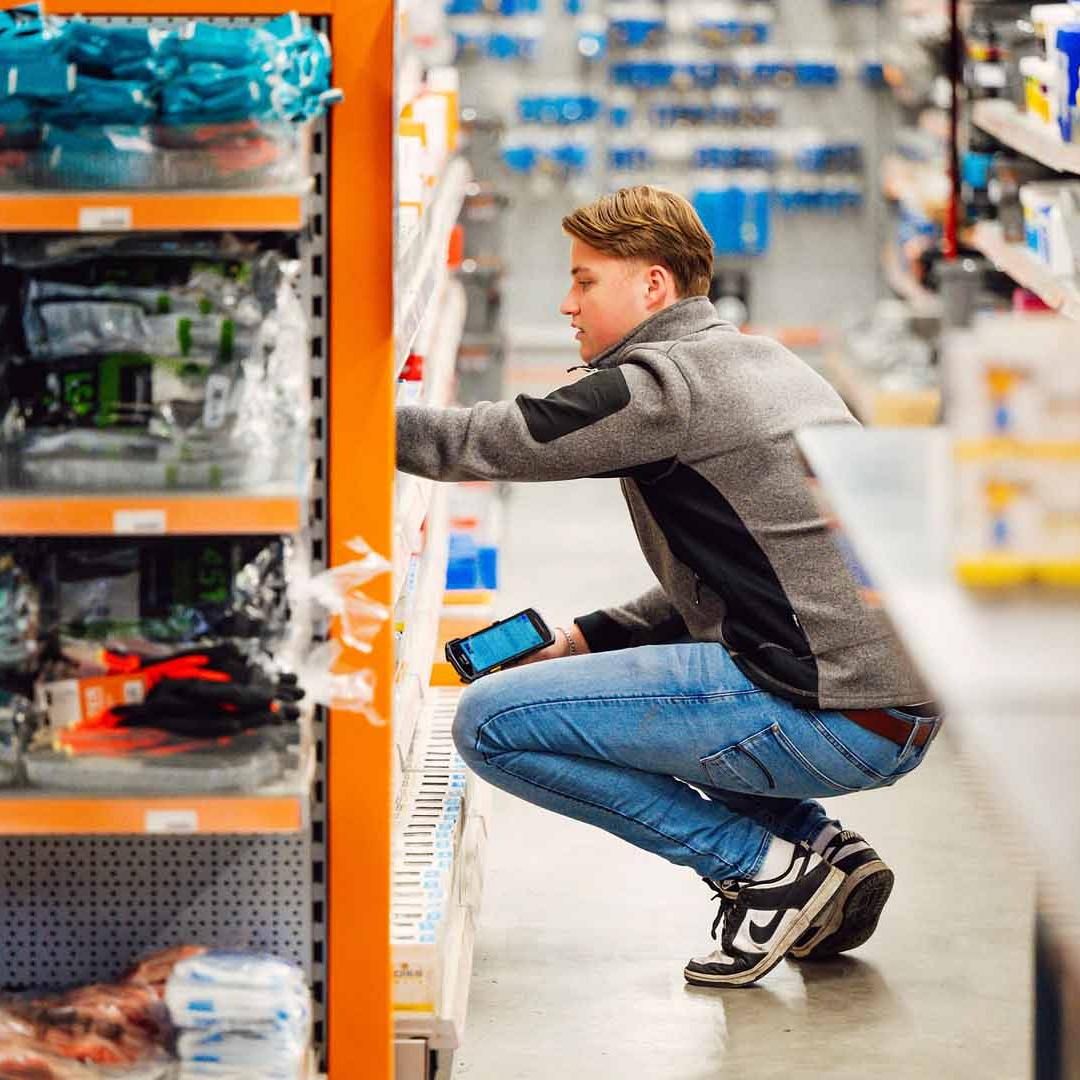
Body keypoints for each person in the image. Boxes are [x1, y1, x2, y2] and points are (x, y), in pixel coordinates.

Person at [395, 185, 940, 988]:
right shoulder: (760, 361)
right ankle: (820, 849)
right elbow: (751, 576)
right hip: (892, 708)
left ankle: (763, 869)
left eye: (584, 280)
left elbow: (491, 441)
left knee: (491, 725)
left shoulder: (661, 386)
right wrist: (586, 637)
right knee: (608, 700)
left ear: (652, 286)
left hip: (836, 713)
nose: (567, 303)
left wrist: (338, 407)